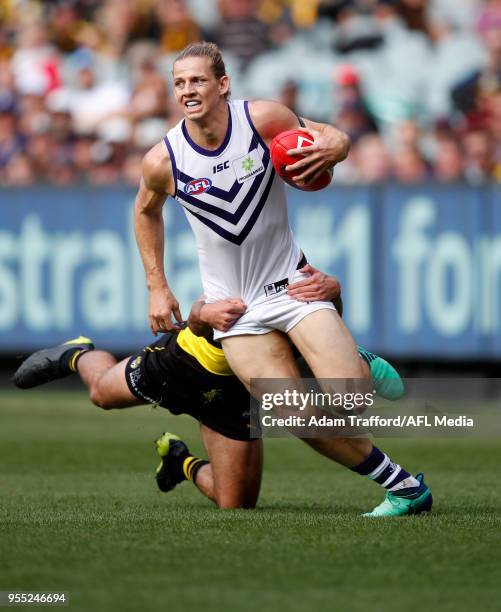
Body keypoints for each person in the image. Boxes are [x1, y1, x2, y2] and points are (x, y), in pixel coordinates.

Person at [133, 41, 431, 514]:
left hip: (292, 287)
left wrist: (338, 145)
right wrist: (156, 284)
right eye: (180, 83)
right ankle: (406, 489)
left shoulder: (263, 119)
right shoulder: (163, 160)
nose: (188, 91)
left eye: (198, 80)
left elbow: (330, 138)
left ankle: (356, 360)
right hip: (237, 311)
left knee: (348, 403)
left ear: (222, 84)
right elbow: (146, 212)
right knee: (292, 411)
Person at [13, 271, 431, 517]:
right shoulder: (235, 260)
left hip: (236, 393)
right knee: (102, 394)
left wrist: (335, 292)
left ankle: (181, 463)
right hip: (185, 367)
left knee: (236, 505)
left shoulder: (291, 264)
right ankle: (79, 354)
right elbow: (197, 317)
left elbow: (327, 314)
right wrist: (201, 315)